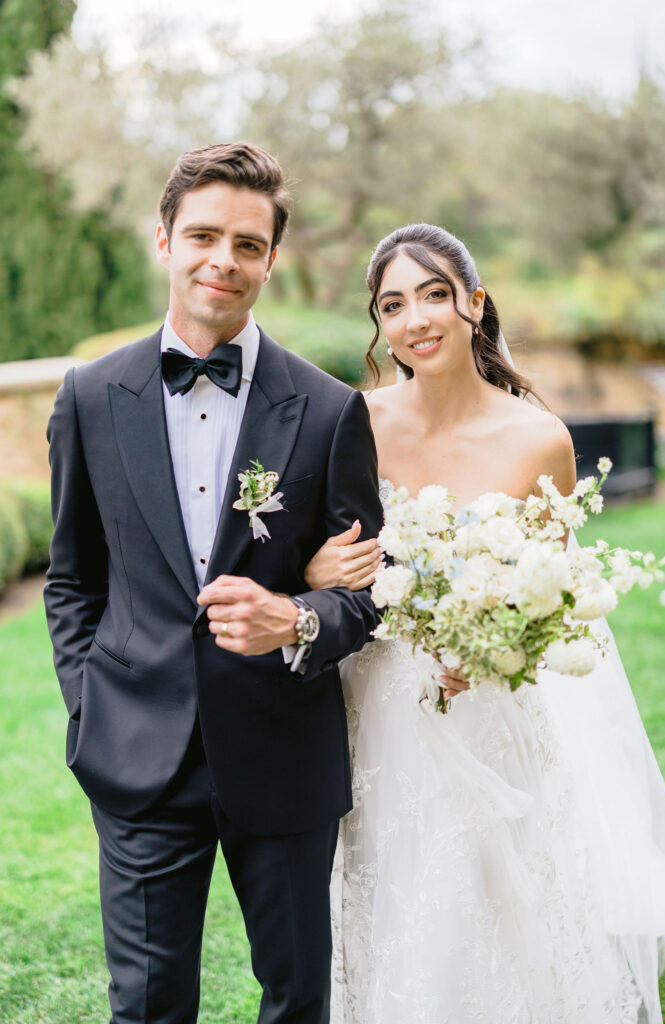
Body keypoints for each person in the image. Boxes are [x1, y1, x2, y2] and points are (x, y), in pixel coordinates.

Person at [302, 223, 665, 1023]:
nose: (416, 320)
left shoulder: (538, 438)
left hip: (491, 708)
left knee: (500, 889)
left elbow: (554, 600)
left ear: (473, 302)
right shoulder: (352, 423)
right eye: (393, 304)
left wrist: (496, 647)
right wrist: (313, 574)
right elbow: (325, 562)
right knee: (394, 883)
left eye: (435, 294)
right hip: (377, 709)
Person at [43, 142, 383, 1024]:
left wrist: (295, 618)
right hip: (135, 754)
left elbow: (366, 593)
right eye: (202, 235)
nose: (221, 261)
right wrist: (90, 704)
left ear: (272, 258)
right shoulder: (88, 396)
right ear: (163, 239)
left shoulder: (330, 408)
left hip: (282, 752)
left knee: (297, 999)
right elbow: (72, 579)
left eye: (246, 243)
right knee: (147, 1006)